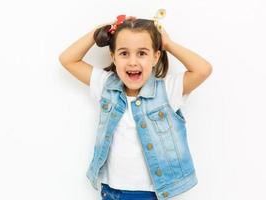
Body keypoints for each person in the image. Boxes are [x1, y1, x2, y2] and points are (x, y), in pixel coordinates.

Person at [59, 14, 212, 200]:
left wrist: (168, 44)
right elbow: (67, 59)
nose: (132, 62)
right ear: (113, 57)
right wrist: (100, 32)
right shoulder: (107, 86)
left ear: (156, 56)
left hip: (148, 194)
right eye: (124, 53)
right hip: (110, 192)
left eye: (142, 53)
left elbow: (203, 69)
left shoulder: (167, 91)